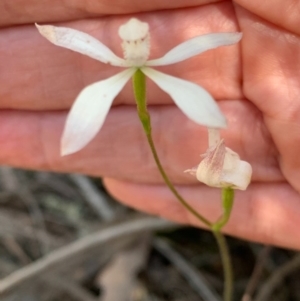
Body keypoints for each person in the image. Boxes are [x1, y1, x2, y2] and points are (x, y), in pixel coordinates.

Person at [0, 0, 299, 249]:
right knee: (125, 120)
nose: (135, 41)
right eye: (132, 40)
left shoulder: (175, 81)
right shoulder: (103, 86)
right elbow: (63, 37)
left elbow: (211, 62)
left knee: (202, 123)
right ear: (127, 43)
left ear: (143, 41)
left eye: (139, 39)